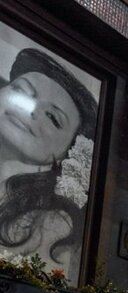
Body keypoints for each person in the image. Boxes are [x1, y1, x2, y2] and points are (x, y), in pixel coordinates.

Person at [0, 48, 98, 279]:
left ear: (67, 151)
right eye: (21, 92)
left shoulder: (52, 224)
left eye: (53, 118)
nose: (32, 111)